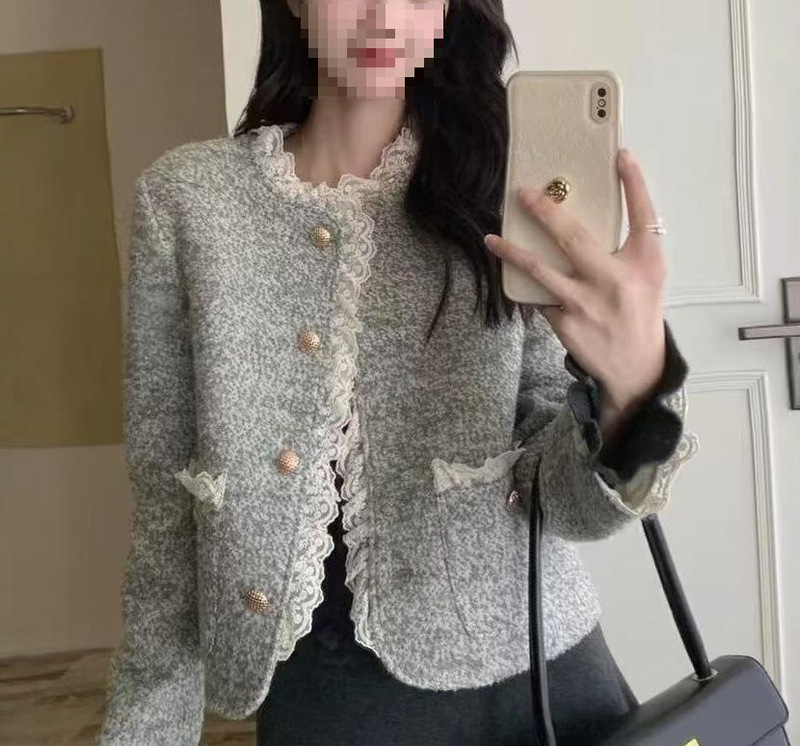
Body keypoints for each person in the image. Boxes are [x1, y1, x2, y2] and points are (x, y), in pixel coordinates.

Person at [99, 0, 700, 742]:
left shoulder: (505, 192)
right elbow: (166, 501)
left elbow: (571, 508)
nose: (386, 14)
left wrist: (632, 396)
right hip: (321, 698)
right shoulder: (187, 200)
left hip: (537, 687)